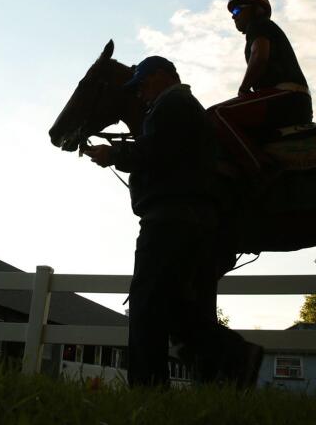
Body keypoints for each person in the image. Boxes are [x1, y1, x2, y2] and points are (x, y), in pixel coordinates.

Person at [84, 56, 263, 388]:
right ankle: (236, 357)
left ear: (162, 76)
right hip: (191, 219)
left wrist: (114, 155)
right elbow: (166, 152)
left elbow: (155, 153)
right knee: (177, 308)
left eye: (141, 85)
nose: (139, 94)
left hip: (170, 218)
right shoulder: (183, 107)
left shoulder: (173, 103)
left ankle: (148, 386)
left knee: (146, 303)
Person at [210, 0, 313, 174]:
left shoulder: (258, 25)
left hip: (286, 95)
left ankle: (261, 171)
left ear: (256, 10)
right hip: (291, 99)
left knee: (217, 115)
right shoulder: (262, 27)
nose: (233, 17)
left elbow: (260, 56)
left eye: (237, 11)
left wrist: (243, 87)